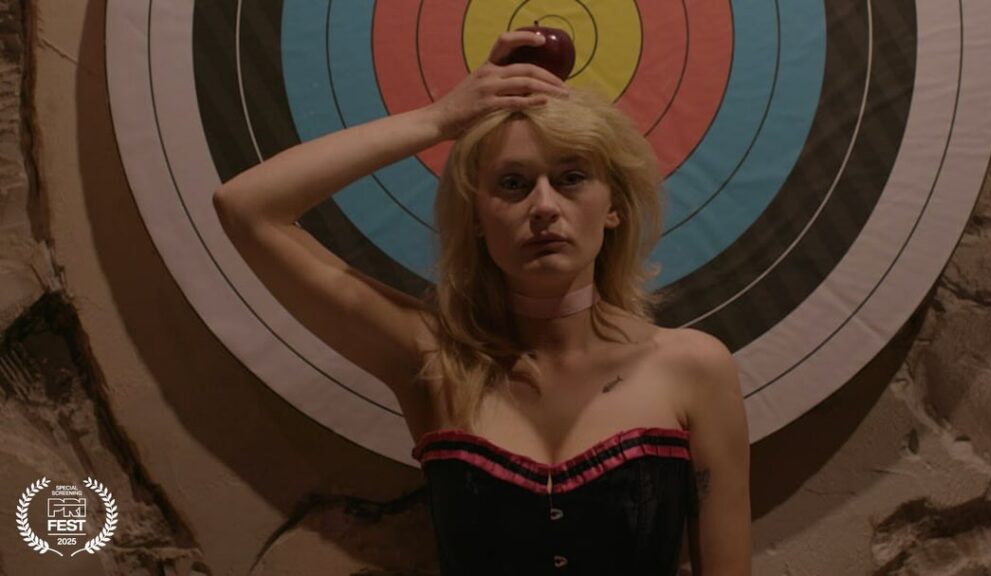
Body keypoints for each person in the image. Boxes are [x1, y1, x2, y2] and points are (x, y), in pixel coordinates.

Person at [214, 30, 750, 575]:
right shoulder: (436, 360)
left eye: (571, 178)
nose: (544, 206)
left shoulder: (693, 369)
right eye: (513, 184)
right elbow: (246, 207)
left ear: (614, 206)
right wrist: (439, 119)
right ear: (476, 216)